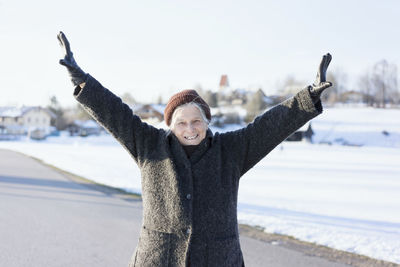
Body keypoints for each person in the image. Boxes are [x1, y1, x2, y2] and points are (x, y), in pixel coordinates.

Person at [57, 31, 332, 267]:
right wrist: (82, 80)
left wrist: (308, 97)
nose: (190, 129)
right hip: (158, 258)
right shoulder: (149, 145)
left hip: (217, 258)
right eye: (182, 123)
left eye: (196, 121)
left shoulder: (231, 151)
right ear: (170, 125)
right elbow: (114, 113)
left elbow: (269, 127)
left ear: (207, 122)